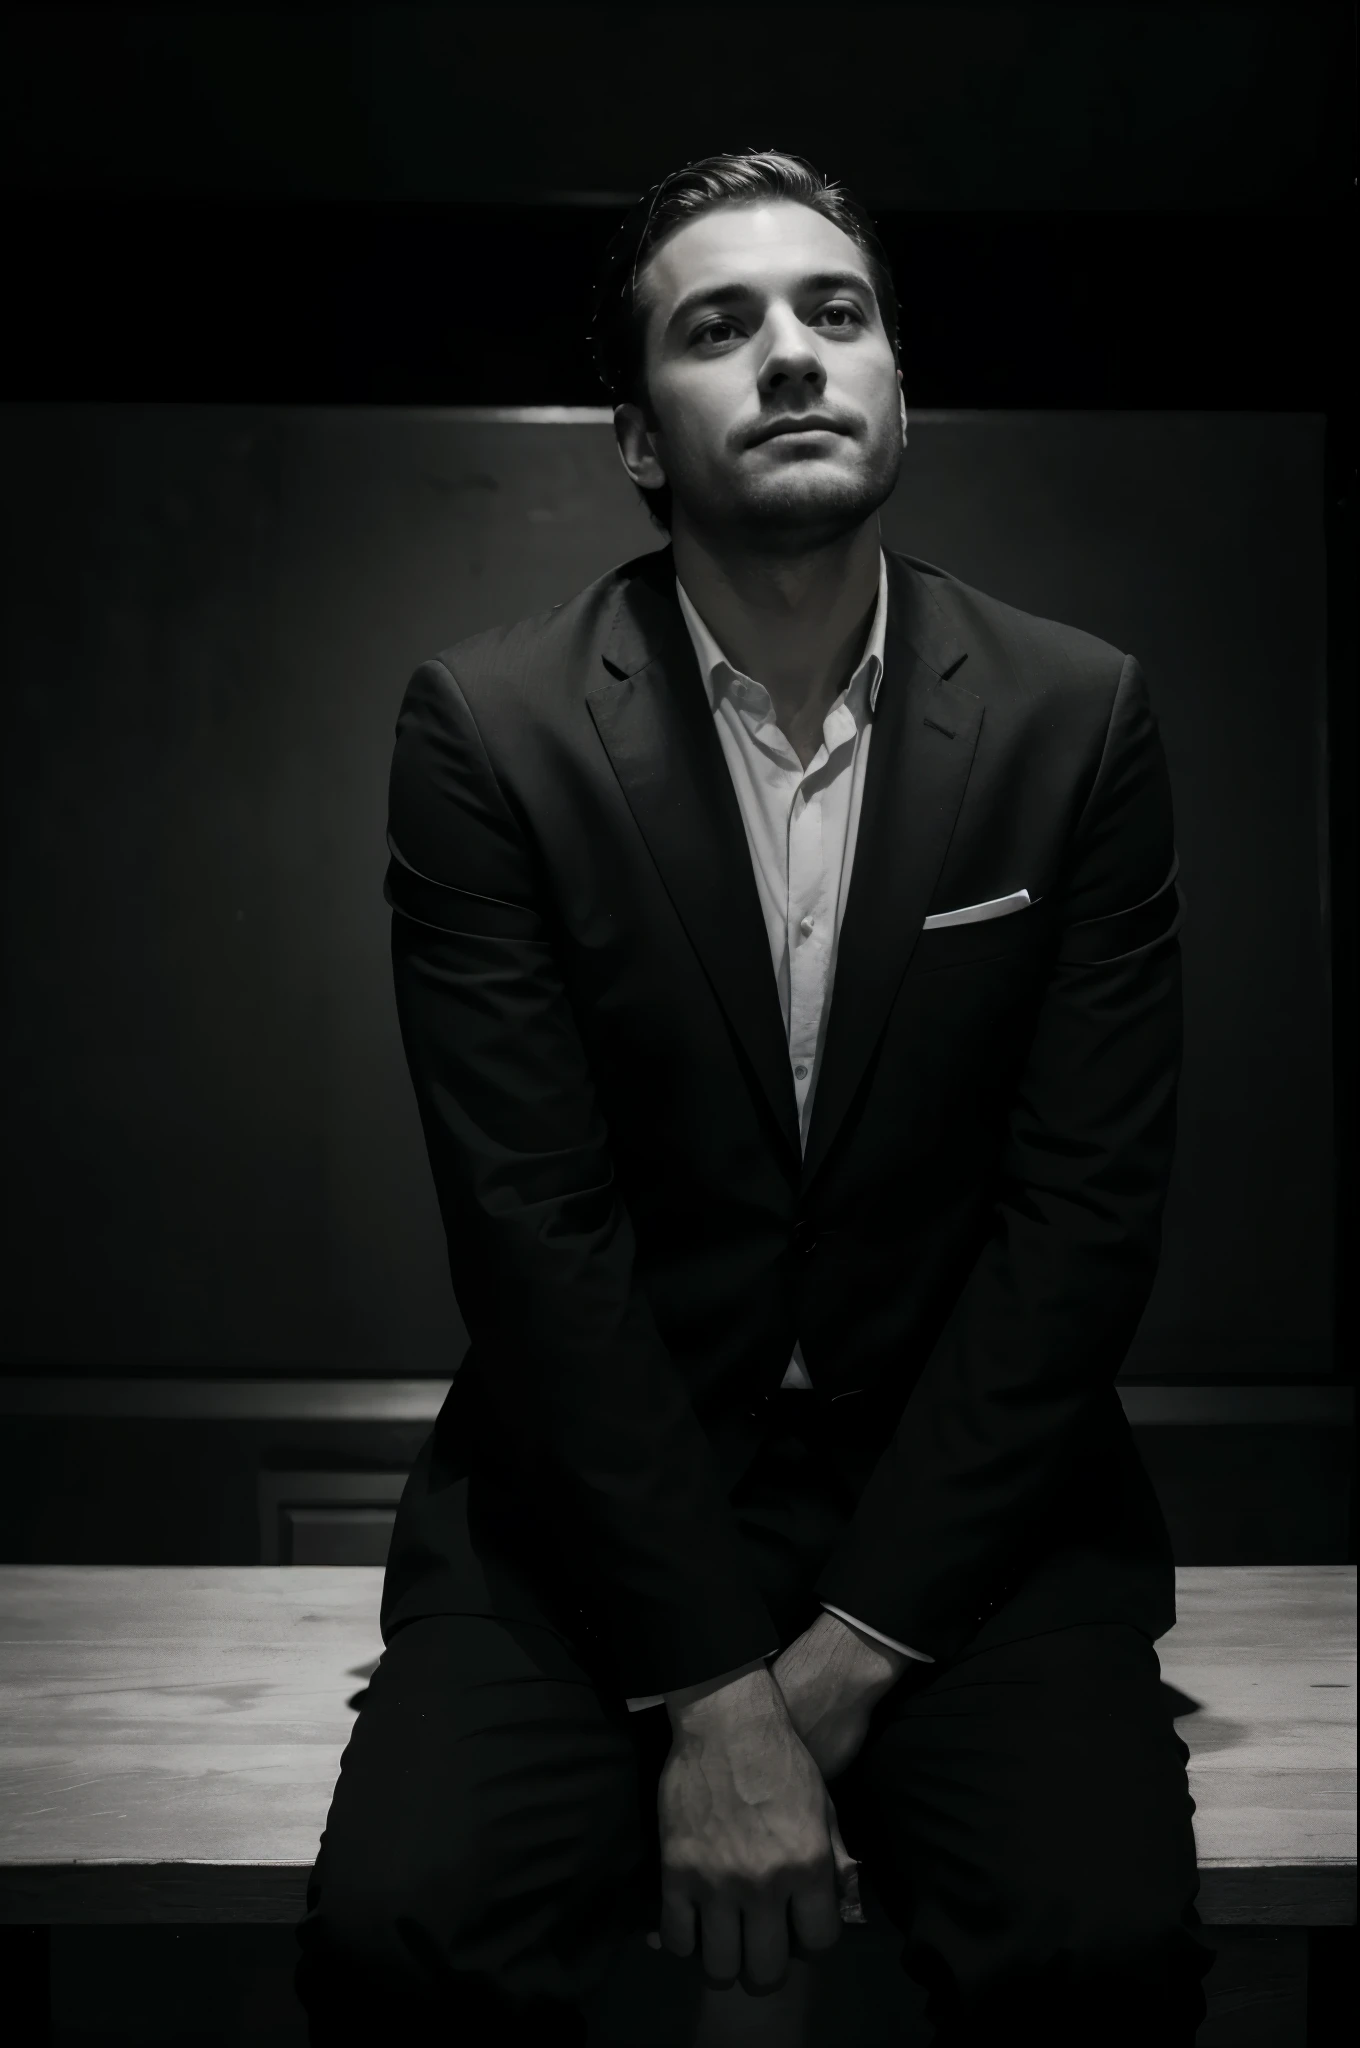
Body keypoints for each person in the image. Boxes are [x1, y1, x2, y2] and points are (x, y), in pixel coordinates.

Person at [294, 148, 1212, 2046]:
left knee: (1094, 1953)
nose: (792, 355)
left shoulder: (1077, 716)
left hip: (966, 1505)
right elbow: (534, 1237)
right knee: (408, 1939)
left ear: (899, 390)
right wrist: (710, 1693)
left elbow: (1084, 1221)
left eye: (837, 313)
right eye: (723, 327)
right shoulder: (491, 731)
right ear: (640, 436)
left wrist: (843, 1667)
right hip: (598, 1500)